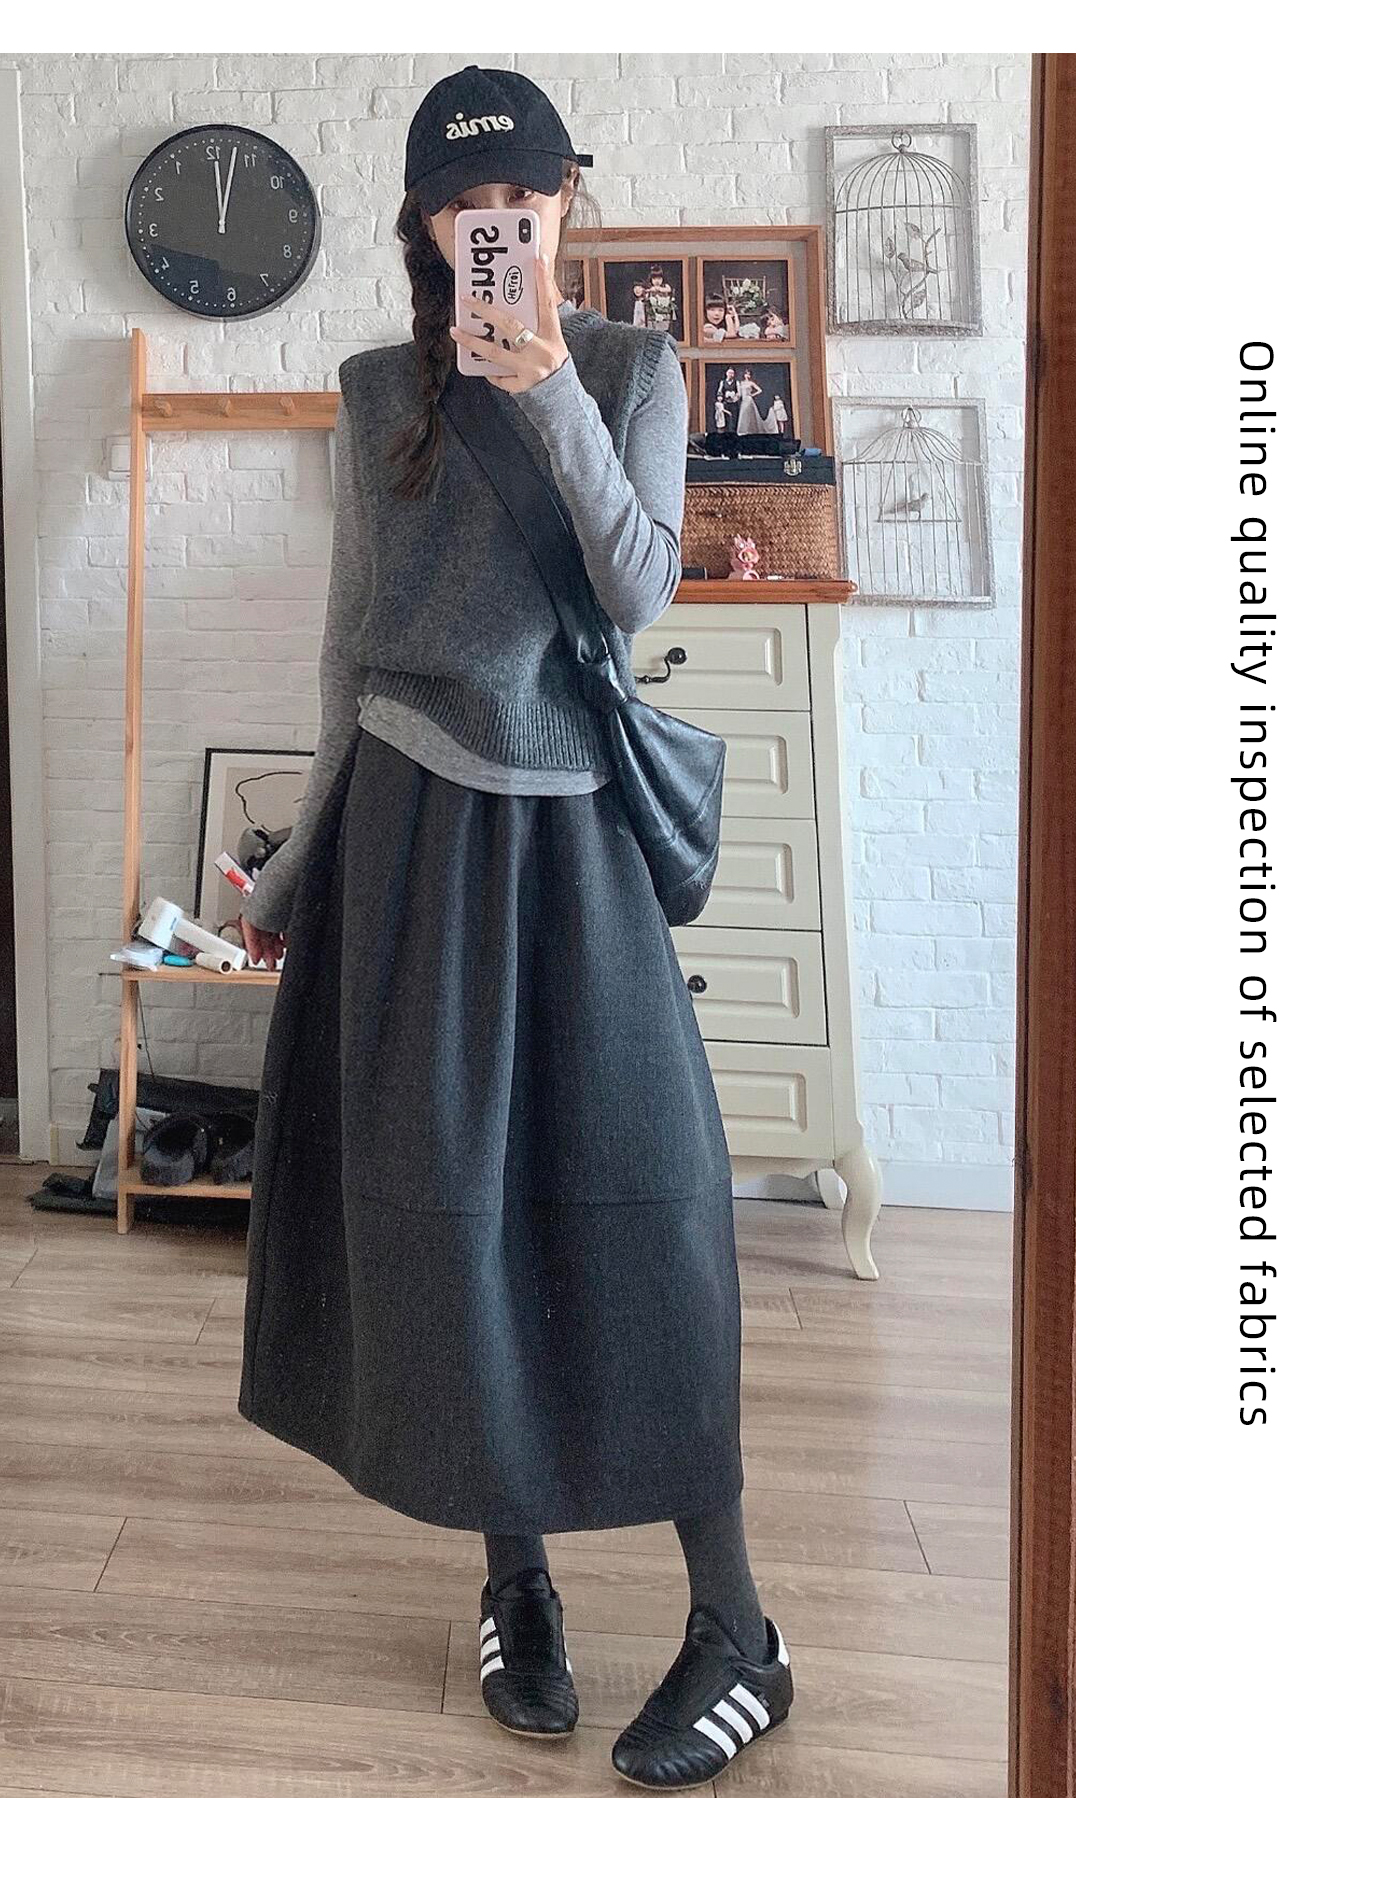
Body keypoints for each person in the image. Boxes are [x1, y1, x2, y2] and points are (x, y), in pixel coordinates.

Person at [235, 64, 792, 1794]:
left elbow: (640, 587)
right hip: (408, 838)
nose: (499, 226)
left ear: (564, 204)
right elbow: (350, 652)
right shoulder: (371, 393)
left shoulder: (628, 369)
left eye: (525, 201)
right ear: (426, 224)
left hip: (570, 840)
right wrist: (293, 872)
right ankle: (515, 1583)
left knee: (651, 1200)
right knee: (446, 1216)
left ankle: (738, 1628)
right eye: (468, 207)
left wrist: (544, 385)